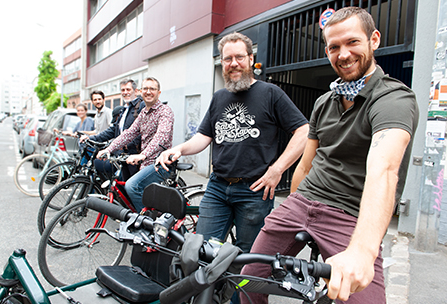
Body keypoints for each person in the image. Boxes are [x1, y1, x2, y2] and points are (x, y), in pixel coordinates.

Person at [240, 7, 419, 304]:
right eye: (334, 47)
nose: (344, 54)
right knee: (247, 279)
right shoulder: (325, 101)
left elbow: (384, 170)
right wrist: (293, 210)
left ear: (374, 40)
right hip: (302, 202)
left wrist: (363, 251)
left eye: (353, 42)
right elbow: (306, 165)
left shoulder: (393, 98)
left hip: (348, 213)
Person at [157, 32, 309, 253]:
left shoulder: (270, 93)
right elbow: (203, 137)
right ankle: (210, 288)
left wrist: (277, 170)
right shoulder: (219, 97)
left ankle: (237, 289)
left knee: (246, 257)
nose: (233, 64)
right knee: (201, 250)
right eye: (227, 59)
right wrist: (179, 148)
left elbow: (304, 131)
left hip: (255, 191)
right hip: (217, 187)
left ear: (250, 58)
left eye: (239, 57)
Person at [97, 77, 174, 211]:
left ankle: (147, 224)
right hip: (145, 163)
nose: (148, 92)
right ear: (140, 92)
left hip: (160, 164)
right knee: (129, 188)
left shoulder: (165, 111)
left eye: (152, 89)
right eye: (145, 89)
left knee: (131, 186)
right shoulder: (143, 113)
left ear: (159, 93)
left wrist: (142, 155)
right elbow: (129, 133)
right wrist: (109, 149)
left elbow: (161, 136)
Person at [81, 79, 145, 181]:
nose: (125, 92)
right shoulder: (124, 110)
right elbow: (112, 130)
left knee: (133, 187)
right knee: (123, 186)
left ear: (136, 91)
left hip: (135, 156)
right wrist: (91, 138)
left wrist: (127, 145)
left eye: (128, 89)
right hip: (123, 155)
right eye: (123, 90)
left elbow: (142, 131)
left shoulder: (141, 107)